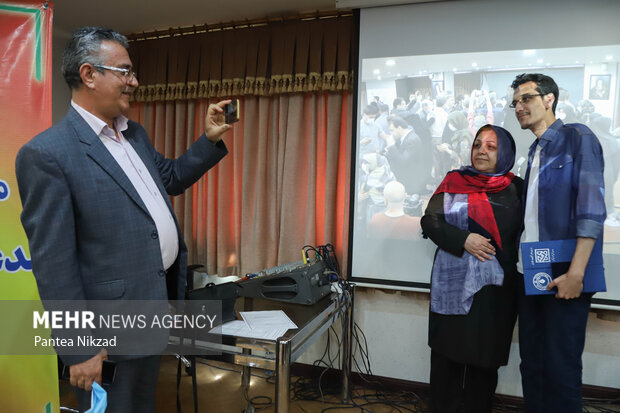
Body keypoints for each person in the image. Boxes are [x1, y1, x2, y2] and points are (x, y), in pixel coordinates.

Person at [15, 27, 231, 412]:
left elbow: (171, 178)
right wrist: (79, 347)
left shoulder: (135, 136)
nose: (134, 82)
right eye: (124, 72)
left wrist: (209, 139)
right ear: (88, 74)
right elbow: (54, 265)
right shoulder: (47, 155)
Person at [510, 73, 606, 413]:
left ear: (549, 99)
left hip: (565, 273)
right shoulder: (533, 151)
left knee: (561, 370)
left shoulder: (577, 137)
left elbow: (592, 210)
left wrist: (576, 272)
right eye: (515, 102)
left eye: (526, 98)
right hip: (531, 272)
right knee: (532, 366)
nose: (518, 106)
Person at [421, 125, 523, 413]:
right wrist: (463, 239)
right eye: (478, 144)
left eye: (491, 146)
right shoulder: (455, 180)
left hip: (495, 294)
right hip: (452, 287)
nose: (481, 150)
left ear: (505, 153)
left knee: (484, 364)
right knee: (446, 361)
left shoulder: (518, 188)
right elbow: (430, 221)